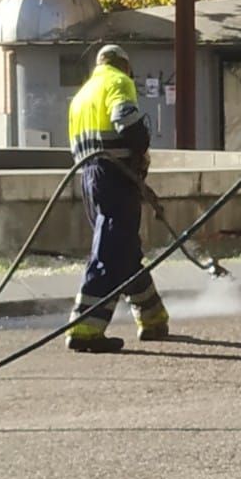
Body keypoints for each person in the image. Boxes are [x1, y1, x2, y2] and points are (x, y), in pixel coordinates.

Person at [65, 44, 170, 352]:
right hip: (115, 176)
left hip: (89, 178)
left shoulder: (81, 95)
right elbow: (127, 122)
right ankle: (84, 329)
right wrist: (140, 151)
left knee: (124, 249)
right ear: (125, 65)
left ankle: (153, 319)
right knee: (110, 253)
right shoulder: (118, 82)